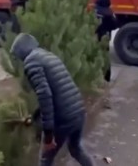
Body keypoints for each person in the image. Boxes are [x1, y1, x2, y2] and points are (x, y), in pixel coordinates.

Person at [10, 33, 95, 166]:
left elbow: (45, 95)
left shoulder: (31, 62)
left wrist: (48, 135)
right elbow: (56, 92)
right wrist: (36, 115)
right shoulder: (47, 55)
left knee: (45, 159)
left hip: (63, 119)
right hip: (78, 111)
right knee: (76, 148)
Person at [94, 0, 117, 83]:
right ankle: (106, 78)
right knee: (105, 57)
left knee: (93, 57)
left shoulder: (94, 11)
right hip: (105, 37)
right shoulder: (110, 13)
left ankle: (95, 78)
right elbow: (114, 25)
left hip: (94, 37)